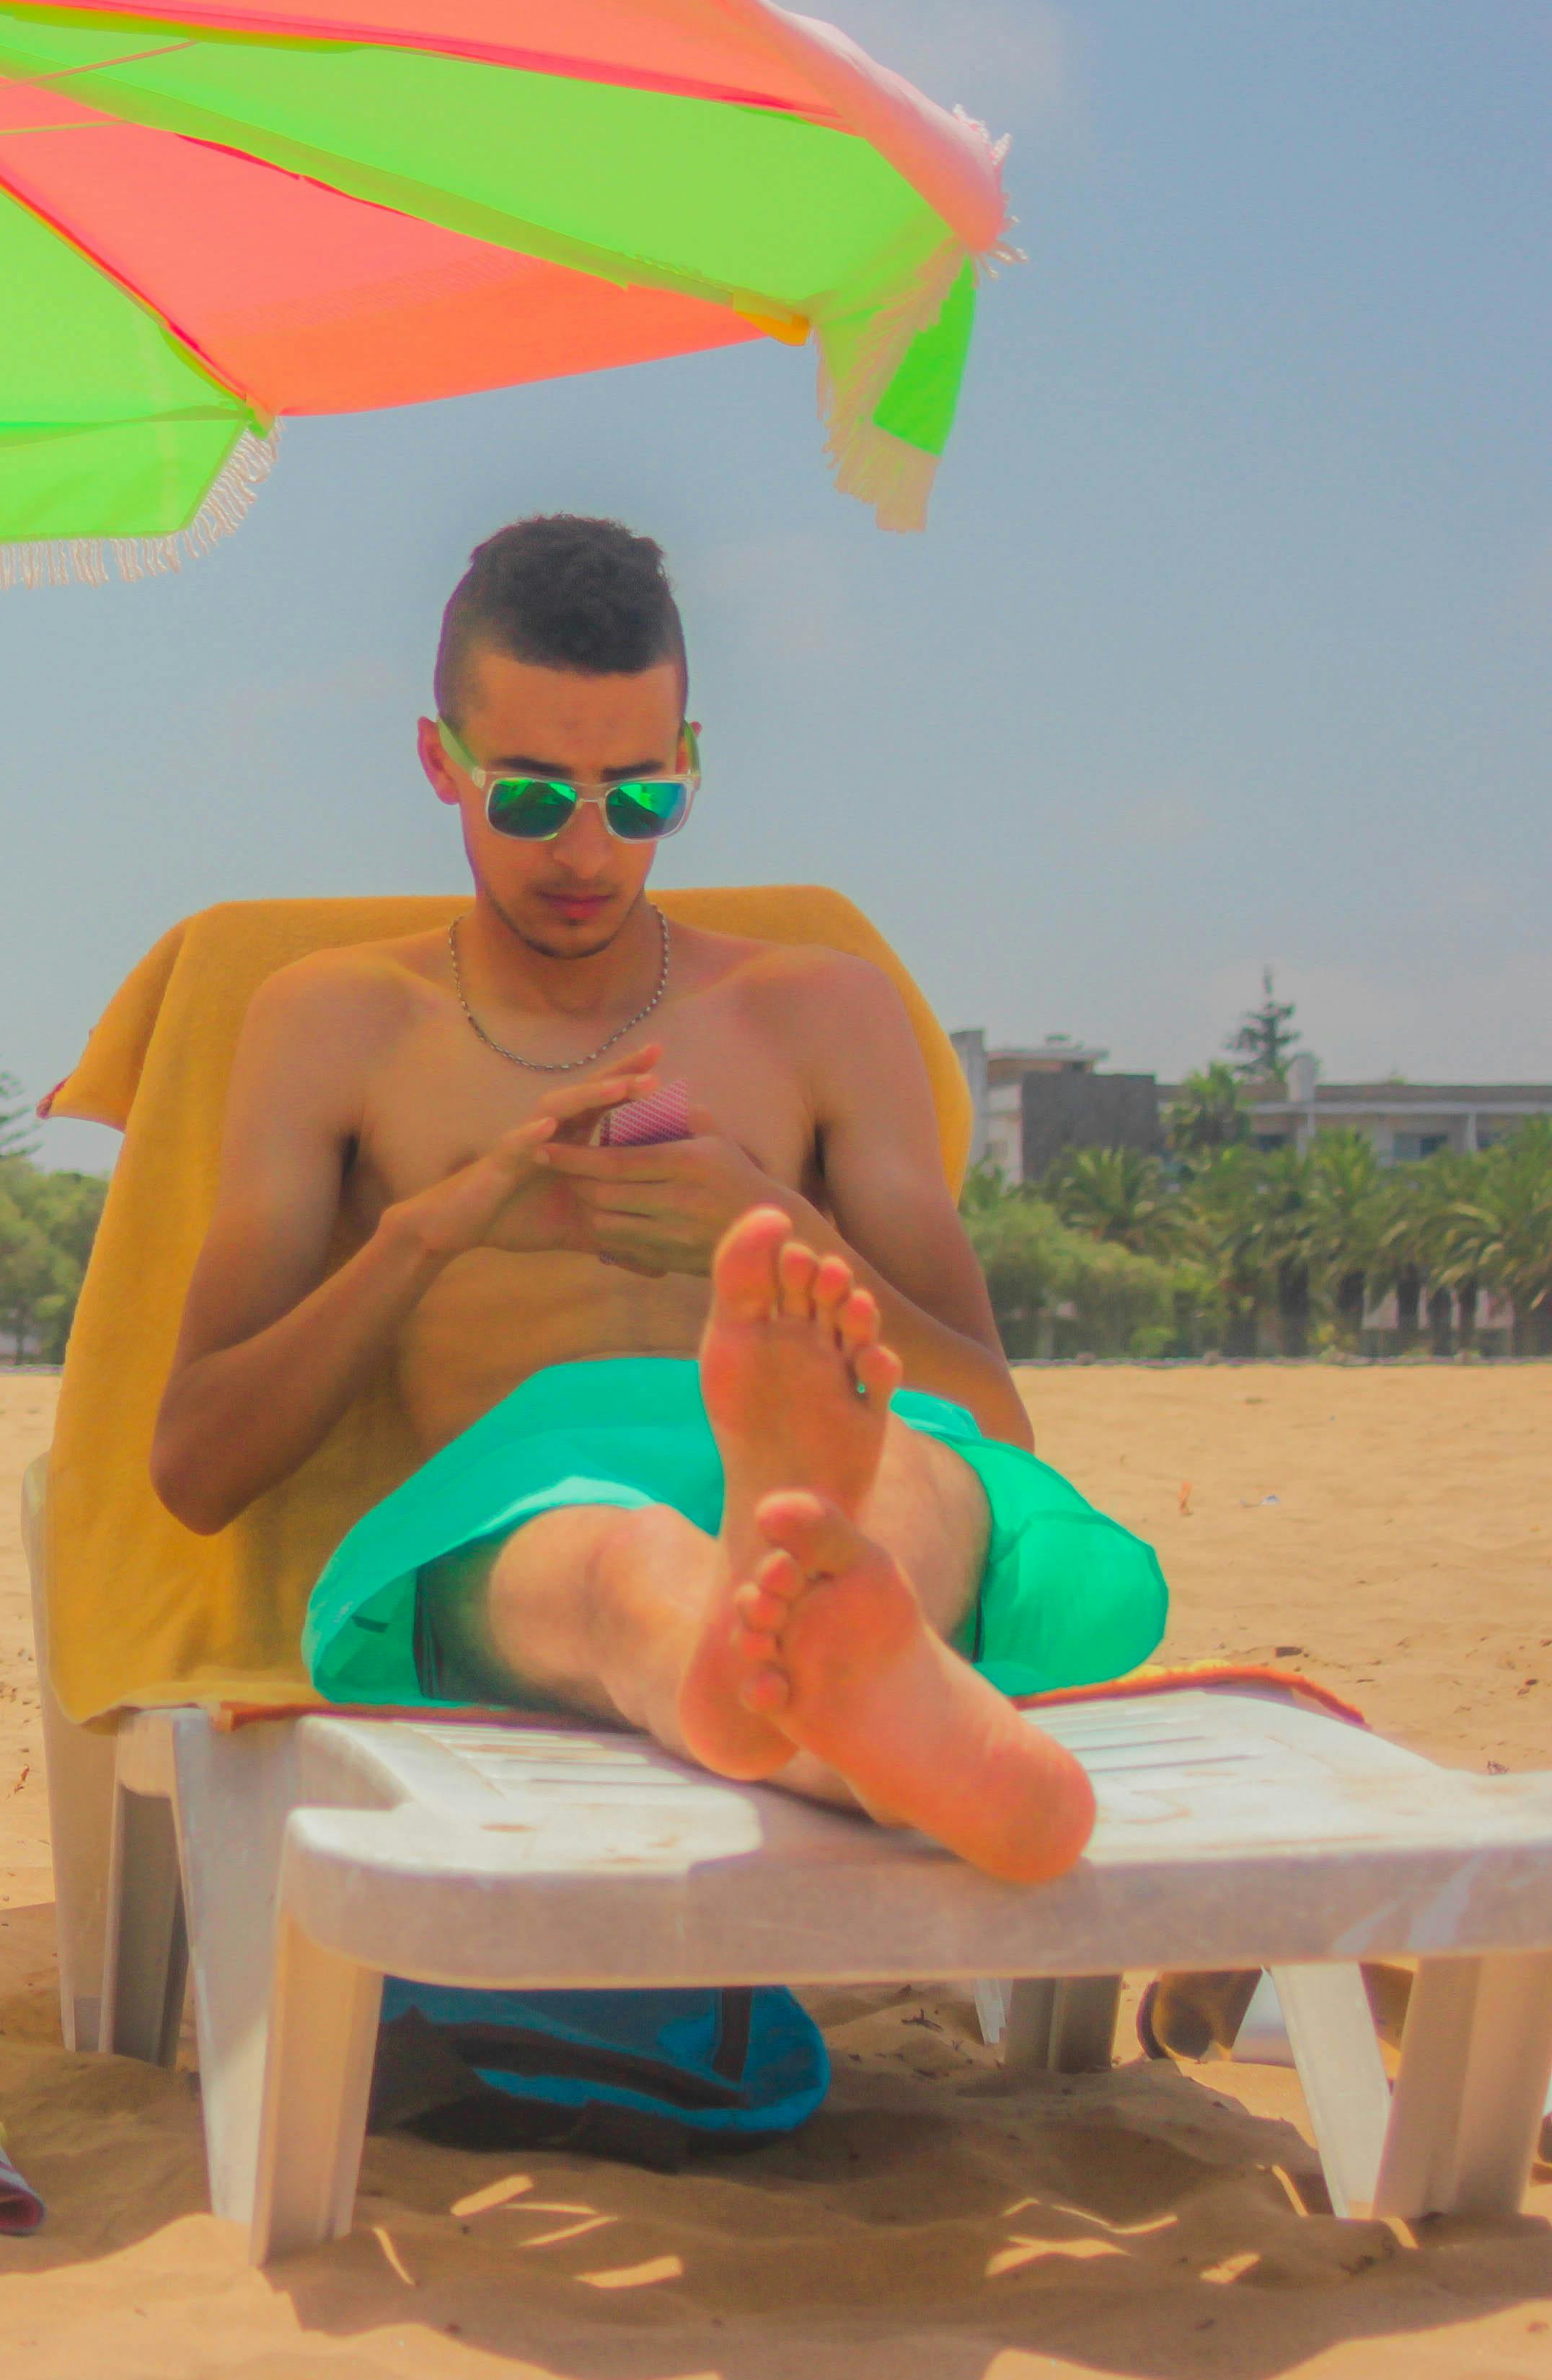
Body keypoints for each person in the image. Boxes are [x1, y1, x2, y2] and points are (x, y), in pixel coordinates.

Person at [151, 515, 1162, 1883]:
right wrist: (425, 1235)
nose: (583, 850)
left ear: (689, 766)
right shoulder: (339, 1024)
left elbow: (997, 1418)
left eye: (636, 799)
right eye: (529, 796)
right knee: (624, 1567)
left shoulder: (817, 1013)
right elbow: (196, 1469)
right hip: (526, 1480)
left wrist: (769, 1229)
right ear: (437, 764)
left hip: (863, 1461)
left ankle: (817, 1652)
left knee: (900, 1489)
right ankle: (845, 1694)